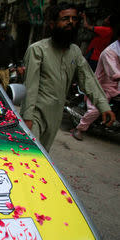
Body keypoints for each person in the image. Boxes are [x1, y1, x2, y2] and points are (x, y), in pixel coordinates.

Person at [20, 2, 115, 151]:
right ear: (53, 24)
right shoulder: (38, 50)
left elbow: (87, 79)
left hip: (56, 114)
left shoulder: (75, 52)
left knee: (44, 155)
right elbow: (30, 87)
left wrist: (103, 106)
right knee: (31, 157)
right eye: (65, 19)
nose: (71, 22)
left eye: (74, 19)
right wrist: (27, 118)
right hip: (36, 114)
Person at [72, 35, 120, 140]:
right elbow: (114, 75)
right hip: (103, 86)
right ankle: (79, 128)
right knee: (97, 109)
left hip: (116, 87)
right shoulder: (110, 52)